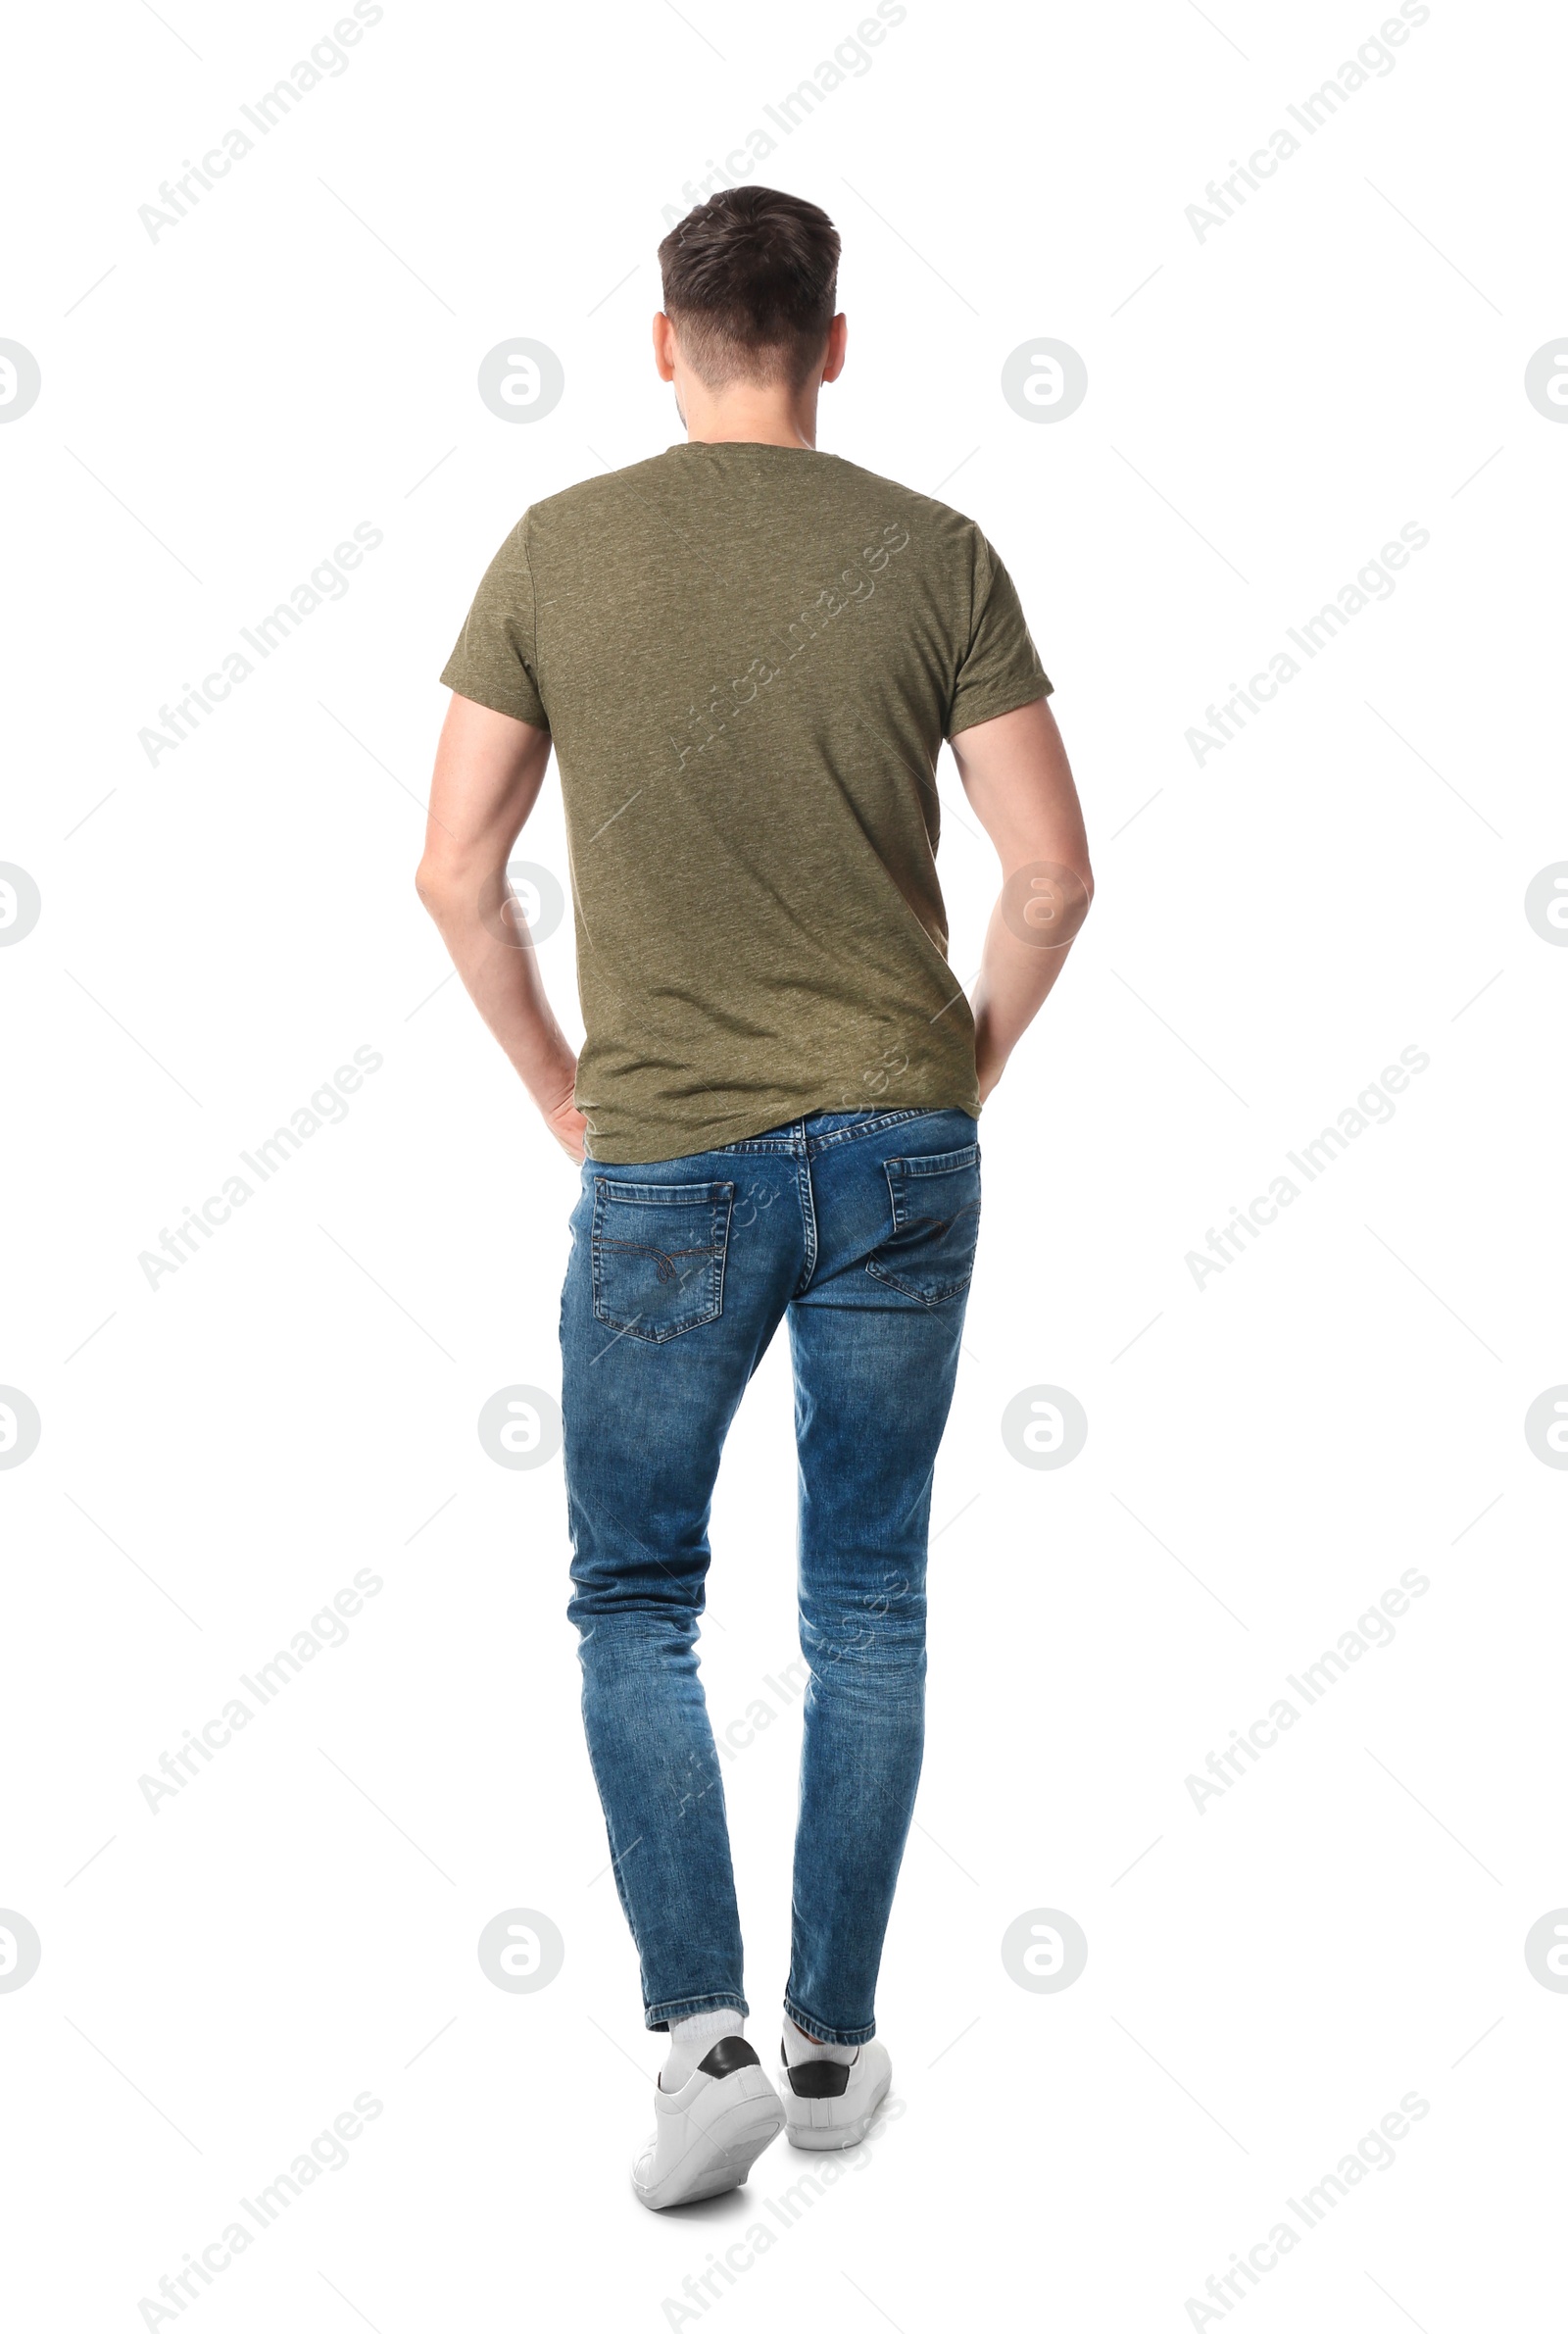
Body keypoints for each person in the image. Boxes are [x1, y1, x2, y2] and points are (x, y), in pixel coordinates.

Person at [417, 185, 1092, 2210]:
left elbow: (452, 872)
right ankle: (825, 2043)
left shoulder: (555, 551)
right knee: (865, 1586)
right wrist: (945, 1079)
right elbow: (1049, 876)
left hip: (666, 1156)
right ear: (832, 342)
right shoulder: (934, 553)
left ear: (660, 343)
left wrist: (563, 1087)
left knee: (637, 1591)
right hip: (899, 1146)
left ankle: (694, 2033)